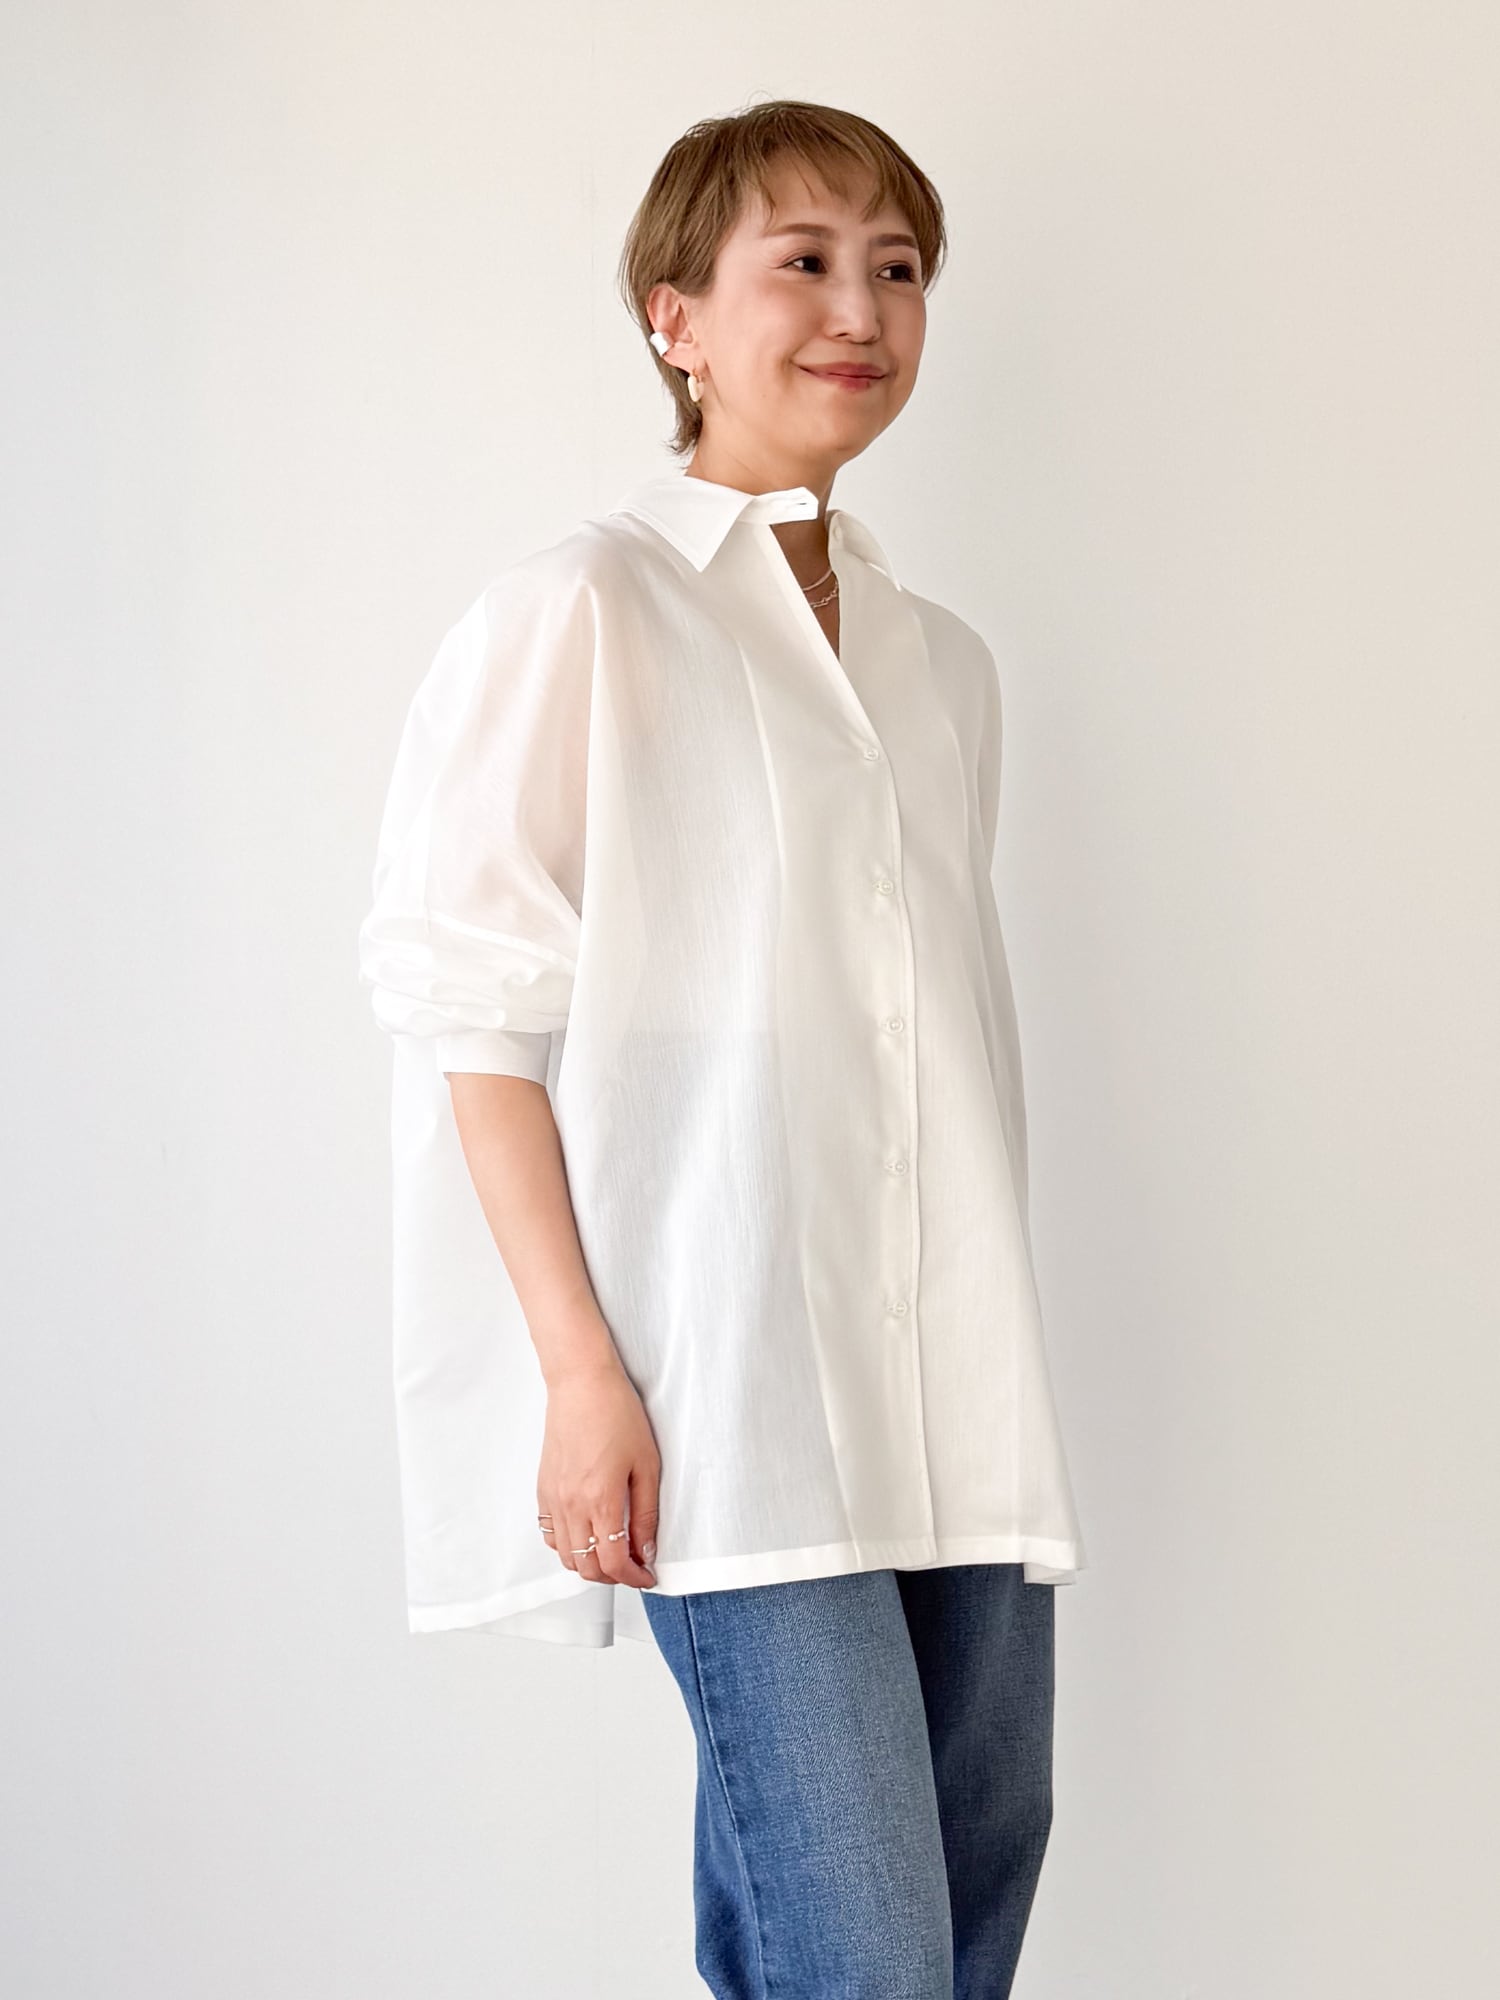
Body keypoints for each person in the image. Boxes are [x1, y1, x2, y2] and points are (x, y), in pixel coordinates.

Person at [359, 98, 1087, 1999]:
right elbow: (477, 1017)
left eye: (899, 269)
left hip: (956, 1388)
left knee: (962, 1933)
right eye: (806, 261)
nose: (862, 310)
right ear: (674, 317)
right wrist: (580, 1375)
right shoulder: (584, 610)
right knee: (867, 1959)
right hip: (732, 1394)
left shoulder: (943, 665)